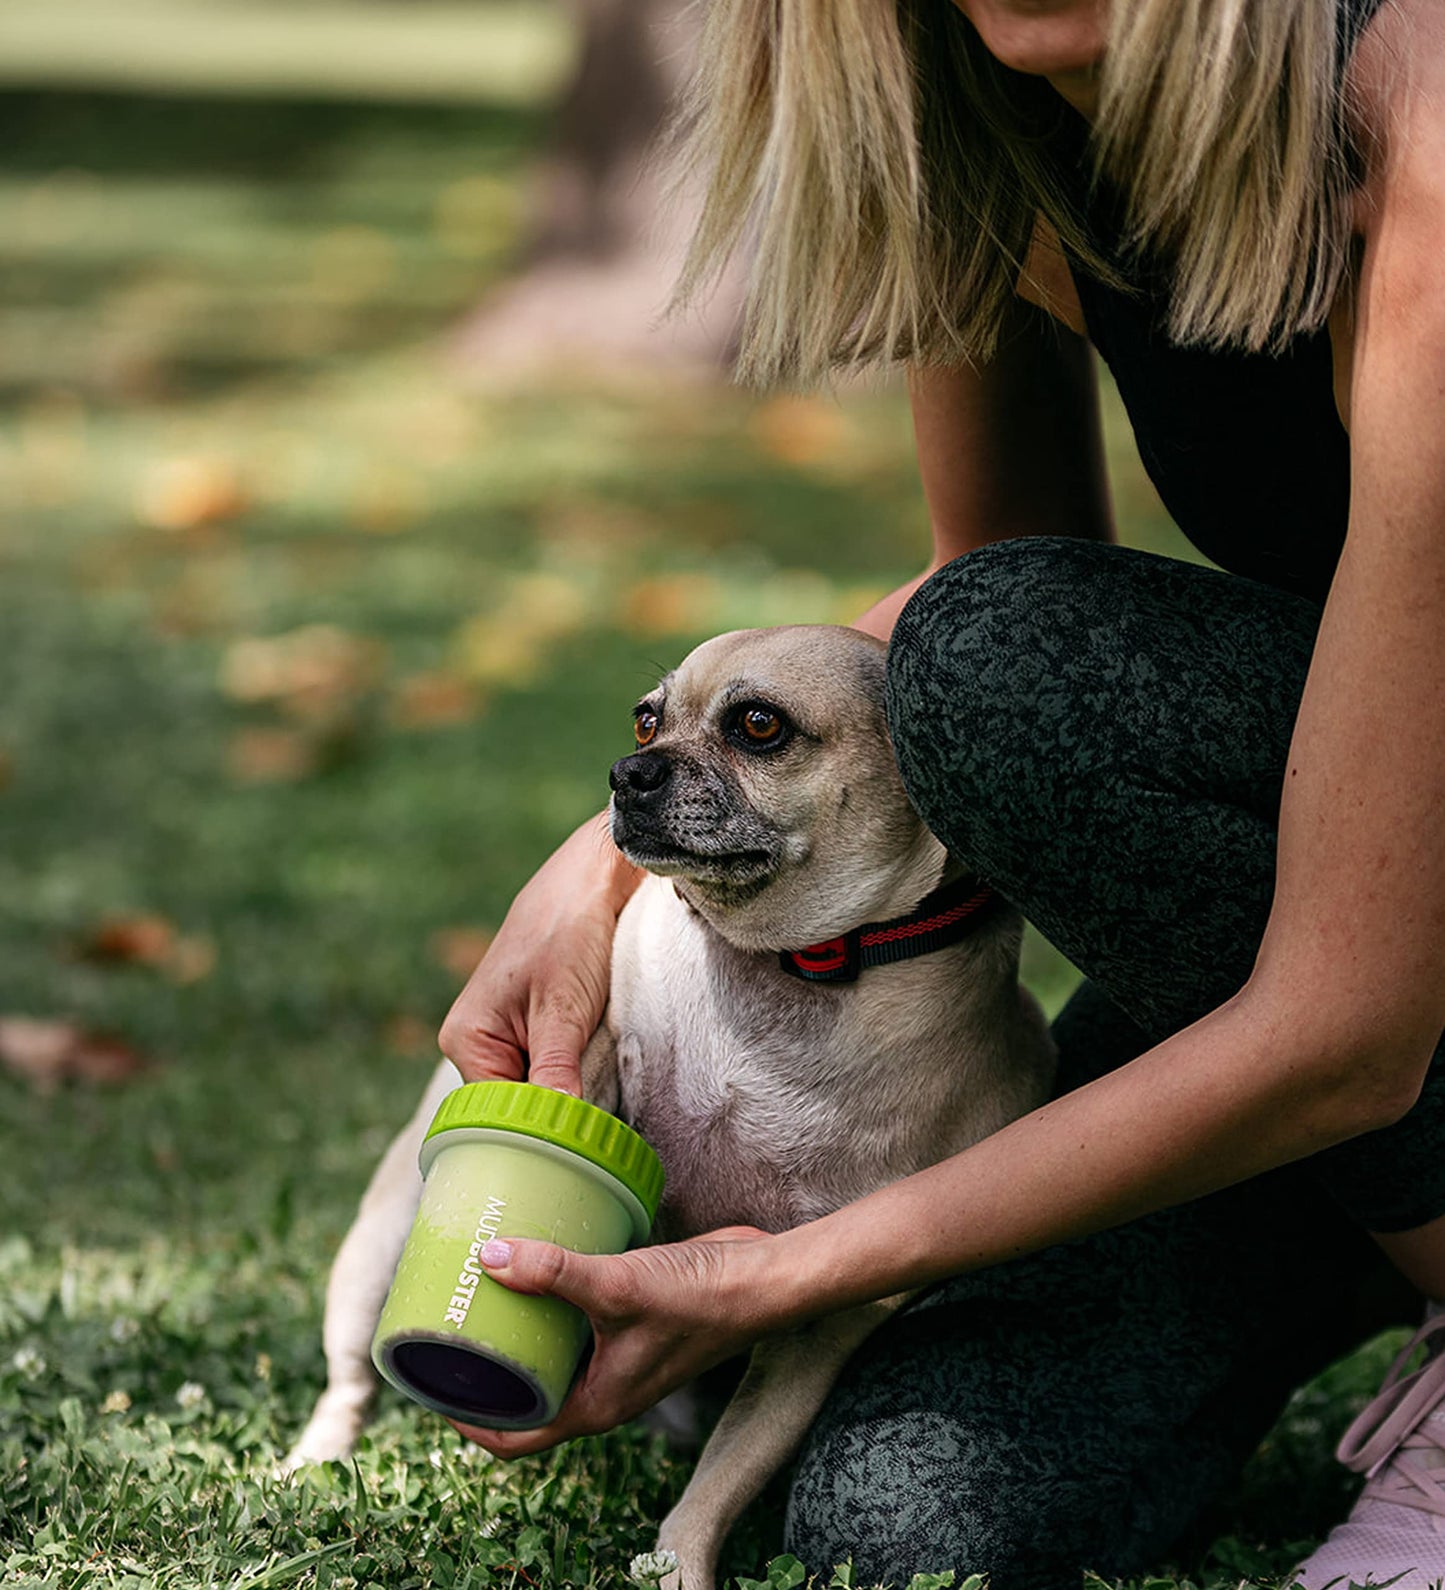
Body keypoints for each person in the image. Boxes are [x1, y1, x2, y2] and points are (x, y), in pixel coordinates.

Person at [436, 1, 1445, 1584]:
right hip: (1337, 908)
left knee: (1004, 665)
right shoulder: (987, 111)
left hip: (1379, 999)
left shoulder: (1418, 101)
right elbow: (984, 573)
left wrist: (796, 1271)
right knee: (897, 1528)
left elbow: (1350, 1025)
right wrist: (611, 853)